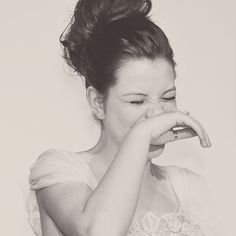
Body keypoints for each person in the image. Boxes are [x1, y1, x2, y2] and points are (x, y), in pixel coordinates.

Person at [27, 0, 221, 235]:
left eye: (168, 97)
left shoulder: (185, 187)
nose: (158, 116)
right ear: (98, 102)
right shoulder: (61, 171)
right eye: (137, 101)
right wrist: (141, 134)